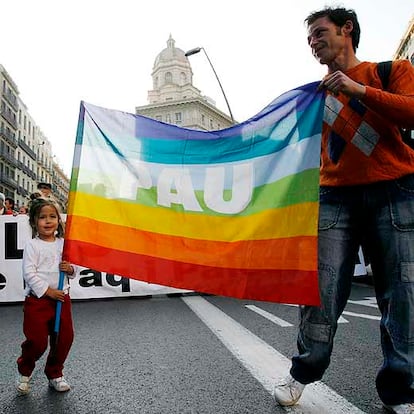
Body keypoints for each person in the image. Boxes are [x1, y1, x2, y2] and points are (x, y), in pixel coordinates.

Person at [273, 7, 414, 414]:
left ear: (346, 30)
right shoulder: (315, 96)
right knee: (321, 289)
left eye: (319, 33)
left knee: (401, 293)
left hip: (396, 190)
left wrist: (360, 91)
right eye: (309, 38)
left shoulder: (392, 70)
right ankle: (303, 371)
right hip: (334, 198)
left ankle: (400, 390)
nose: (313, 42)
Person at [16, 197, 77, 395]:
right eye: (42, 217)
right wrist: (48, 291)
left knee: (64, 339)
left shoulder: (64, 245)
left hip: (62, 299)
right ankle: (25, 371)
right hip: (38, 300)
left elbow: (76, 269)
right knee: (38, 341)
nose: (48, 221)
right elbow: (29, 273)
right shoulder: (32, 245)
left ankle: (55, 374)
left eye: (52, 216)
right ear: (34, 222)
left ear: (59, 220)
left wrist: (70, 269)